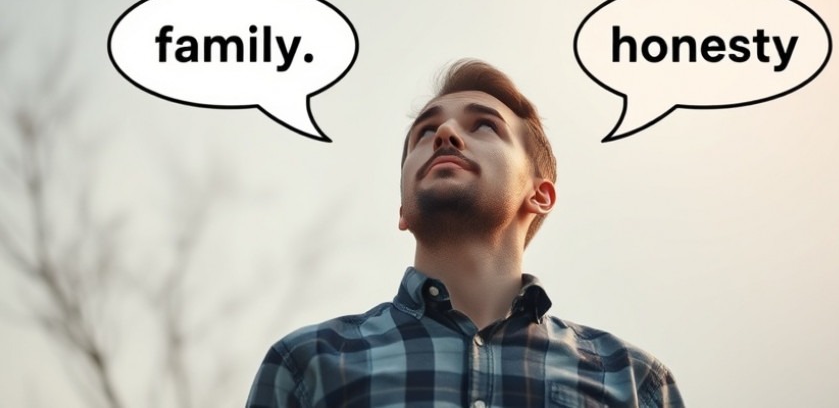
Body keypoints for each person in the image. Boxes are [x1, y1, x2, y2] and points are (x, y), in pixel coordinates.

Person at [246, 59, 685, 407]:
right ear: (402, 210)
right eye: (425, 132)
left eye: (483, 125)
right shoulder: (307, 363)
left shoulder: (633, 379)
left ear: (540, 195)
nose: (445, 135)